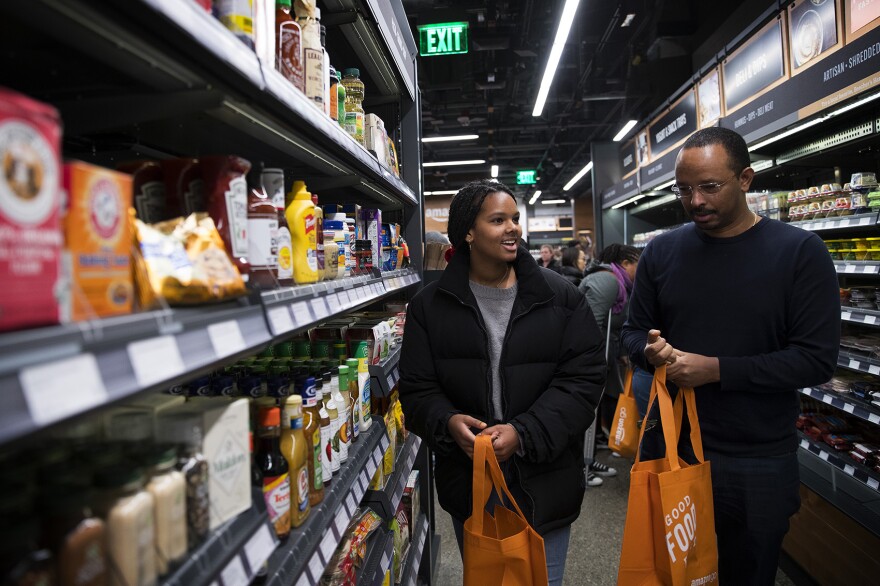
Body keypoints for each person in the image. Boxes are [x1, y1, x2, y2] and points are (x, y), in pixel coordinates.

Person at [620, 127, 840, 585]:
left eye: (709, 186)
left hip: (758, 459)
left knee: (748, 573)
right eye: (684, 189)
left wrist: (715, 371)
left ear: (745, 179)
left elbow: (815, 359)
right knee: (676, 575)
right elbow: (631, 333)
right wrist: (652, 353)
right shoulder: (662, 251)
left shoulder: (800, 252)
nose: (695, 200)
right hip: (675, 450)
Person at [398, 179, 605, 586]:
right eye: (498, 220)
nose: (513, 228)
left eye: (515, 218)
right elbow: (418, 389)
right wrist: (447, 422)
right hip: (472, 480)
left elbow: (582, 381)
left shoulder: (561, 298)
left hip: (545, 480)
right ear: (469, 233)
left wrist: (524, 432)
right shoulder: (429, 307)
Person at [579, 244, 641, 479]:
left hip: (606, 353)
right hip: (592, 357)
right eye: (637, 263)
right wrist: (593, 363)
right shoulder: (609, 282)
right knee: (589, 408)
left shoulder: (619, 283)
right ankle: (584, 466)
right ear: (625, 263)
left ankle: (591, 458)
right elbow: (592, 324)